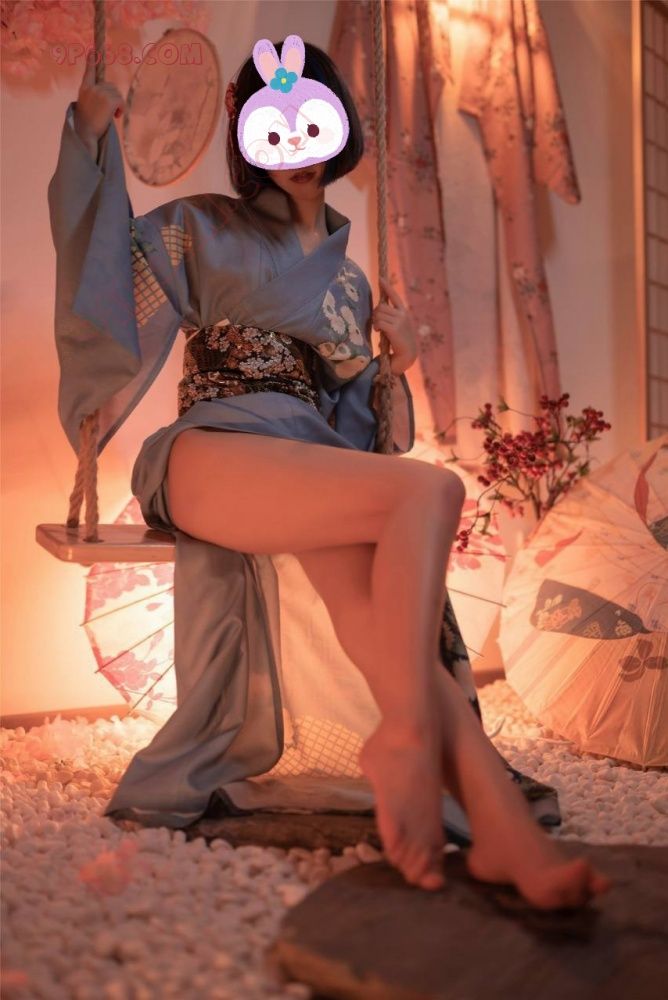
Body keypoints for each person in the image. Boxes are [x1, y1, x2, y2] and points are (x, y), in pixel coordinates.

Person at [51, 40, 612, 909]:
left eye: (312, 121)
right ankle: (407, 738)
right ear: (248, 136)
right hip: (213, 445)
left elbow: (361, 434)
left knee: (375, 618)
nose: (297, 145)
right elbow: (101, 276)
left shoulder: (349, 284)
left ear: (341, 122)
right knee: (431, 489)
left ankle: (502, 833)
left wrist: (398, 365)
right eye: (272, 127)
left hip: (306, 450)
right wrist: (91, 138)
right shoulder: (202, 225)